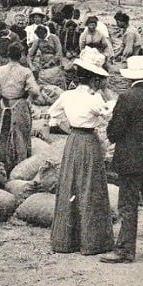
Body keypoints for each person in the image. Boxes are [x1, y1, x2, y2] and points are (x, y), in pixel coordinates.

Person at [101, 56, 143, 264]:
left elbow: (115, 132)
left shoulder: (126, 98)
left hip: (131, 162)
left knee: (128, 205)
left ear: (129, 77)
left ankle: (125, 250)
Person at [48, 48, 115, 256]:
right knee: (89, 187)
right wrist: (108, 97)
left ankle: (67, 239)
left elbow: (52, 115)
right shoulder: (94, 99)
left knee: (71, 185)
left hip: (73, 140)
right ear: (95, 80)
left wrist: (68, 127)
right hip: (88, 142)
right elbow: (108, 117)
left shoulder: (67, 95)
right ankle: (92, 241)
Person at [0, 42, 41, 174]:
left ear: (8, 55)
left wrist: (0, 98)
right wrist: (28, 99)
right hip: (19, 105)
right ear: (21, 56)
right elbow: (35, 92)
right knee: (20, 137)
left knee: (1, 135)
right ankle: (19, 168)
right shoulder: (25, 71)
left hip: (3, 105)